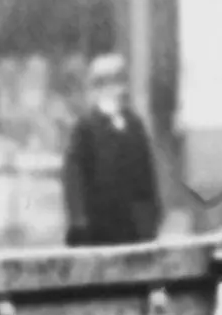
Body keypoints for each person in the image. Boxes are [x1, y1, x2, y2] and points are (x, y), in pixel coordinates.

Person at [62, 53, 160, 247]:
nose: (120, 89)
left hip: (133, 228)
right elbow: (74, 179)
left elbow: (145, 174)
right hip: (97, 228)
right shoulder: (86, 128)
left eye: (121, 81)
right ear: (99, 87)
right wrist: (79, 222)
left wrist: (151, 215)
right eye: (112, 82)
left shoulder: (134, 125)